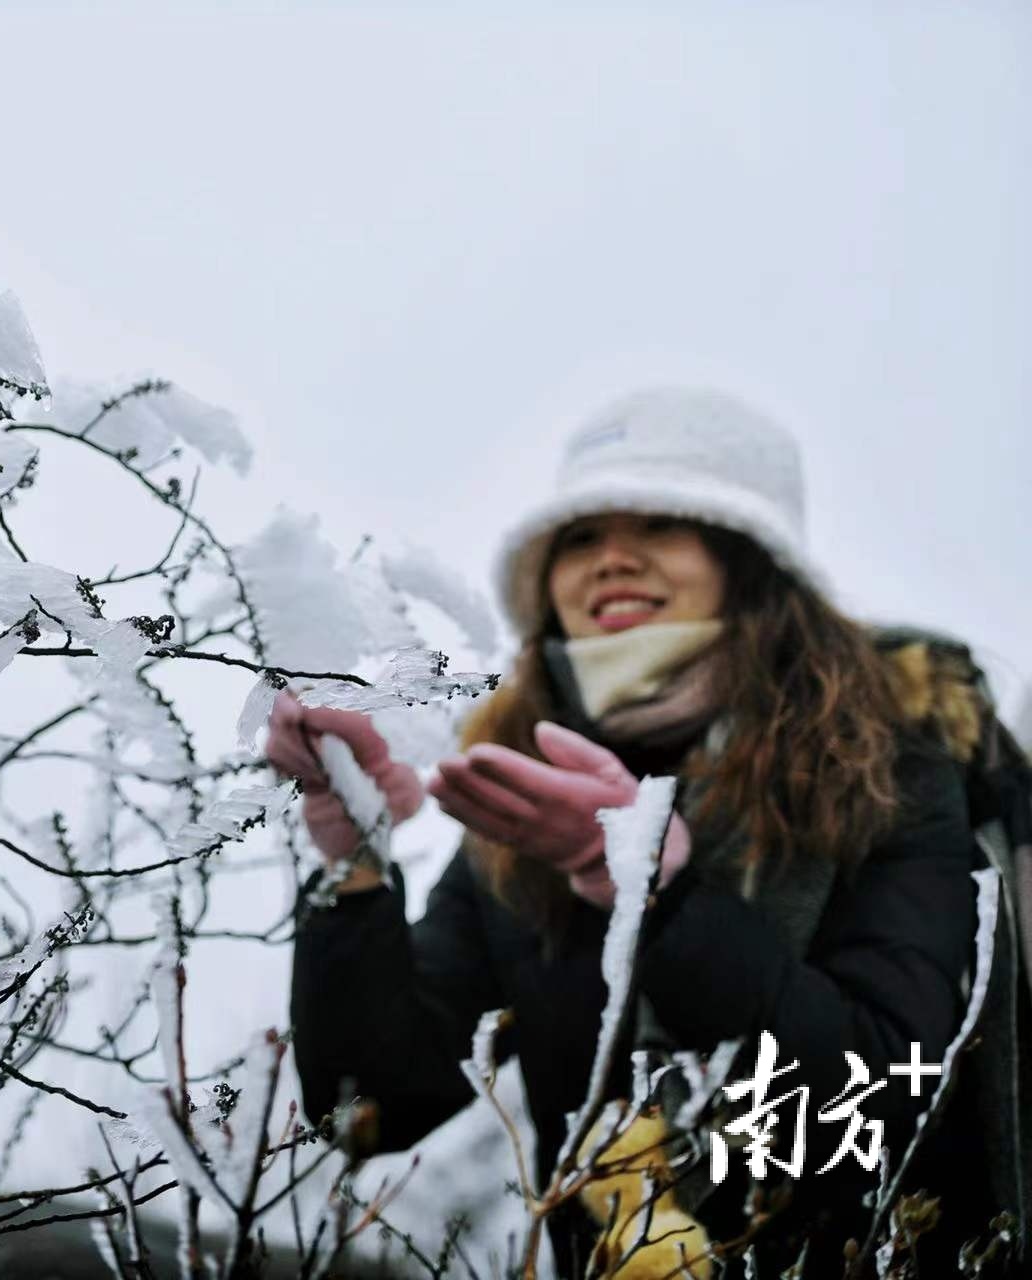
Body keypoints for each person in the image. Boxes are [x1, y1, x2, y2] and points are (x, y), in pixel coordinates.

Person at [273, 388, 1008, 1278]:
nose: (611, 558)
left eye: (662, 523)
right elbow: (375, 1107)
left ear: (748, 559)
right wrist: (352, 869)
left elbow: (883, 1098)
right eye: (578, 537)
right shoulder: (519, 803)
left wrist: (652, 895)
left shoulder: (885, 760)